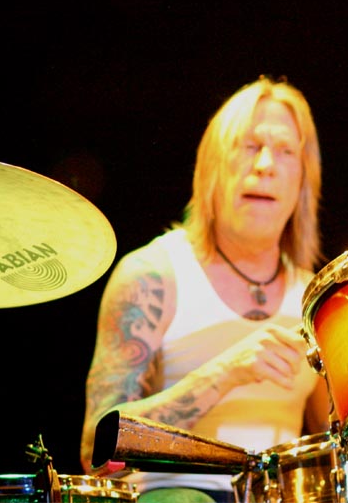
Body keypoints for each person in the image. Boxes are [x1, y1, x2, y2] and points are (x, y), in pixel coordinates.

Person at [80, 76, 331, 502]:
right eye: (249, 146)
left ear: (304, 179)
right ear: (212, 169)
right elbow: (94, 451)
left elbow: (339, 444)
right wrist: (223, 373)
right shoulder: (153, 276)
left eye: (286, 151)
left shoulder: (316, 298)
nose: (266, 165)